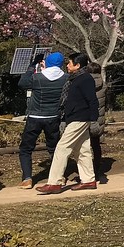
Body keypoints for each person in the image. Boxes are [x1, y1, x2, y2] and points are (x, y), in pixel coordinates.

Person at [35, 52, 99, 194]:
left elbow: (92, 100)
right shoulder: (74, 78)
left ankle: (54, 182)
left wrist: (94, 119)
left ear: (78, 65)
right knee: (82, 150)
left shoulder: (85, 79)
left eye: (70, 63)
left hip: (81, 117)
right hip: (74, 116)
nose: (67, 65)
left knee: (62, 148)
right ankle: (89, 180)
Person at [17, 51, 68, 189]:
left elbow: (22, 83)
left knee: (26, 149)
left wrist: (33, 65)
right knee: (54, 148)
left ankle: (27, 179)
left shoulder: (37, 77)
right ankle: (58, 176)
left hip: (35, 117)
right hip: (53, 117)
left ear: (48, 63)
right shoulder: (66, 77)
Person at [87, 61, 107, 181]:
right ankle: (97, 168)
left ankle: (87, 170)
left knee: (84, 146)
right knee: (96, 145)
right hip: (99, 117)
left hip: (87, 117)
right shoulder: (103, 85)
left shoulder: (85, 83)